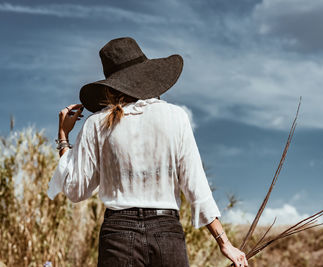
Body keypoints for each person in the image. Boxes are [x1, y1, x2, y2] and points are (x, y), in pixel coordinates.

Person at [47, 37, 248, 267]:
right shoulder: (176, 117)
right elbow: (196, 187)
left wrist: (63, 136)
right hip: (167, 232)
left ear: (111, 84)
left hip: (118, 235)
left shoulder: (96, 124)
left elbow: (75, 190)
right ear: (146, 76)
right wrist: (224, 243)